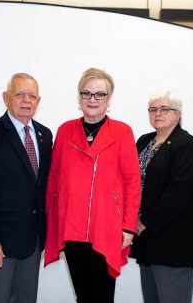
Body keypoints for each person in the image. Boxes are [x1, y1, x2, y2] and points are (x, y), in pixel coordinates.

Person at [44, 67, 141, 302]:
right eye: (86, 93)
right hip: (71, 226)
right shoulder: (65, 130)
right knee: (83, 295)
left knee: (102, 296)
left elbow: (132, 182)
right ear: (79, 98)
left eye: (100, 94)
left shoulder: (122, 132)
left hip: (106, 227)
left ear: (108, 100)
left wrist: (128, 226)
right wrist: (51, 219)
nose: (93, 99)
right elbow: (53, 179)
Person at [0, 73, 52, 303]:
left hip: (33, 240)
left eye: (32, 96)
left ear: (38, 101)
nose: (26, 100)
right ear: (6, 98)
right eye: (20, 94)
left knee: (26, 299)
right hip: (0, 242)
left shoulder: (45, 135)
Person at [130, 91, 193, 303]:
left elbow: (179, 193)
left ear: (178, 114)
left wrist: (144, 222)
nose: (158, 113)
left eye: (164, 109)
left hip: (175, 244)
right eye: (153, 109)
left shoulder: (187, 145)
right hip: (147, 243)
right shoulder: (144, 141)